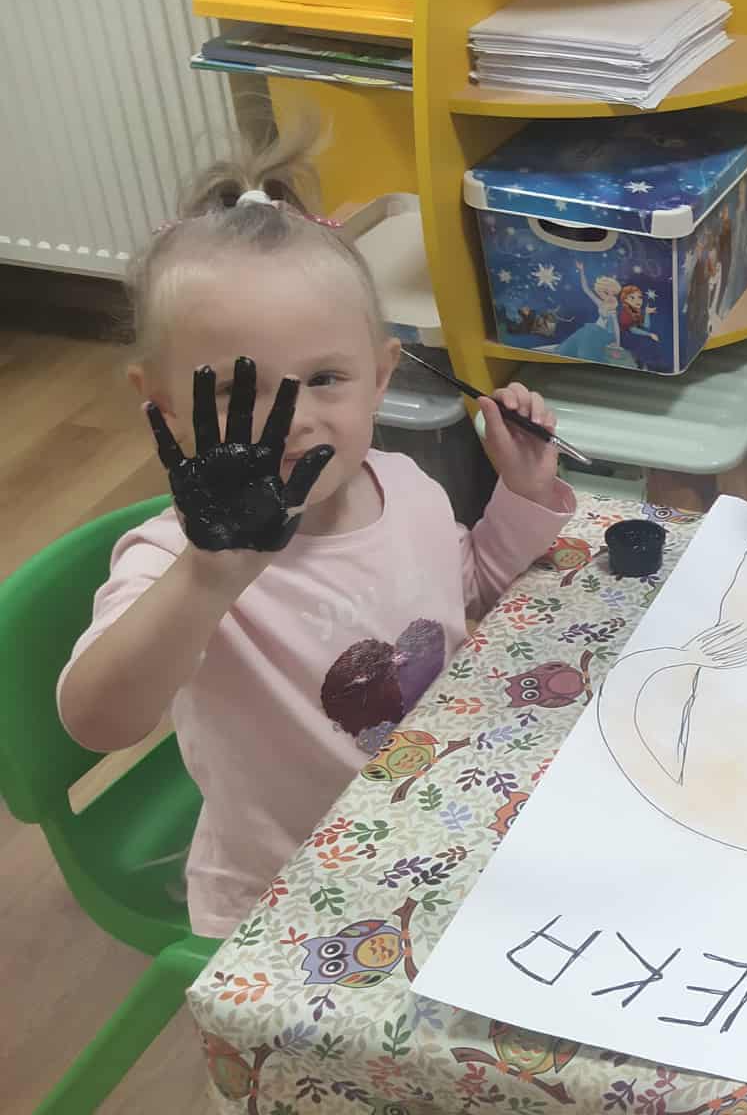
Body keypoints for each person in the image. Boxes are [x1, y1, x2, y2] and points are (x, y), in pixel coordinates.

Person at [56, 128, 576, 938]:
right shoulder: (175, 561)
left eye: (326, 378)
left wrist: (523, 489)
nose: (293, 420)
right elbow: (99, 723)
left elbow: (469, 591)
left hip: (435, 823)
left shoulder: (406, 487)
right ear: (160, 404)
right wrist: (208, 577)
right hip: (289, 896)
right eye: (234, 392)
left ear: (382, 375)